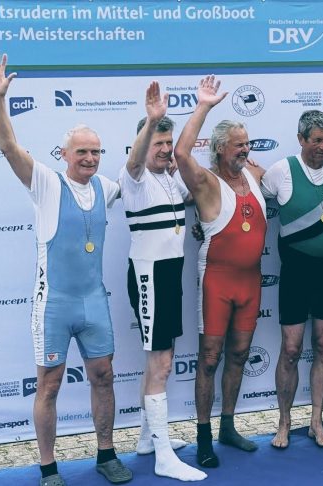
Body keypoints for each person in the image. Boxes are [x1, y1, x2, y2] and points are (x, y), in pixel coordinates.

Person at [0, 52, 132, 485]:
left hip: (93, 303)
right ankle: (49, 466)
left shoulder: (105, 186)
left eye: (96, 151)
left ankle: (106, 454)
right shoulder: (47, 183)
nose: (89, 158)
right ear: (64, 154)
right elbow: (8, 148)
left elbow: (139, 169)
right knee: (48, 385)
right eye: (81, 151)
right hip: (54, 306)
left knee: (103, 377)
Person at [174, 75, 266, 468]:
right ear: (218, 149)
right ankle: (203, 435)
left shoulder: (255, 175)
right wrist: (204, 106)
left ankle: (228, 425)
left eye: (247, 143)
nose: (245, 150)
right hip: (217, 283)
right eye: (238, 145)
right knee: (210, 358)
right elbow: (181, 154)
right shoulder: (207, 183)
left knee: (240, 354)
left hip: (250, 283)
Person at [118, 82, 206, 481]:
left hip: (170, 275)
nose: (166, 149)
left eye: (168, 142)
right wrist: (152, 120)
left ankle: (146, 439)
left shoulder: (171, 178)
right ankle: (164, 455)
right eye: (158, 143)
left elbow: (191, 189)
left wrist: (200, 111)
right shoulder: (133, 176)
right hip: (149, 275)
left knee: (159, 358)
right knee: (162, 363)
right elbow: (135, 160)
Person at [260, 110, 323, 449]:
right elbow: (246, 197)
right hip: (296, 270)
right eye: (316, 141)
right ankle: (284, 422)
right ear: (301, 139)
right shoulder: (281, 171)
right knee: (291, 349)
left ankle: (316, 421)